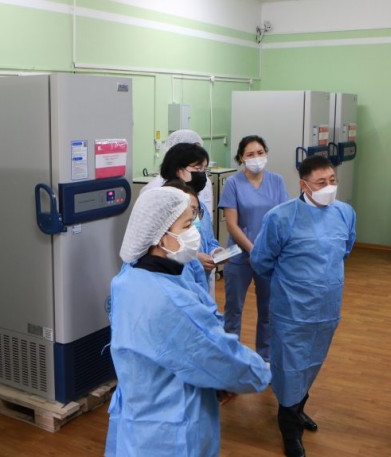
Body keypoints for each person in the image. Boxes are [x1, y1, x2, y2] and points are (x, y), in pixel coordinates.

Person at [106, 186, 271, 457]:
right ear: (160, 236)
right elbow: (222, 357)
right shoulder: (172, 302)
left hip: (136, 420)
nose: (194, 231)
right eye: (186, 225)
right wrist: (252, 374)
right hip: (170, 431)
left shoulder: (128, 279)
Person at [250, 154, 356, 457]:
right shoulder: (281, 217)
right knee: (290, 367)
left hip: (327, 308)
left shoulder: (345, 213)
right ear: (304, 185)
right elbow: (261, 260)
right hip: (292, 310)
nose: (329, 187)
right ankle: (289, 426)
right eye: (321, 182)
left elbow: (344, 249)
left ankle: (297, 409)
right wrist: (296, 283)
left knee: (312, 363)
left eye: (332, 180)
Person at [219, 135, 288, 362]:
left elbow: (282, 219)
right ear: (241, 158)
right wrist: (253, 250)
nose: (256, 157)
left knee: (268, 310)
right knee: (233, 310)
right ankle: (230, 359)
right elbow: (231, 224)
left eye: (260, 152)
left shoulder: (277, 181)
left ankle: (264, 358)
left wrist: (267, 252)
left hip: (269, 257)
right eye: (250, 154)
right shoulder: (233, 184)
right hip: (240, 256)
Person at [142, 142, 225, 292]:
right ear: (179, 170)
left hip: (199, 284)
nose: (202, 175)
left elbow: (209, 240)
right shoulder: (163, 207)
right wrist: (194, 259)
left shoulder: (200, 206)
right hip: (174, 283)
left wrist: (216, 252)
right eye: (197, 169)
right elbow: (153, 250)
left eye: (204, 169)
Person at [142, 129, 213, 213]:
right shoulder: (155, 190)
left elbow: (207, 214)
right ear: (179, 168)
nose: (202, 173)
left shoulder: (203, 183)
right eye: (197, 168)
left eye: (204, 168)